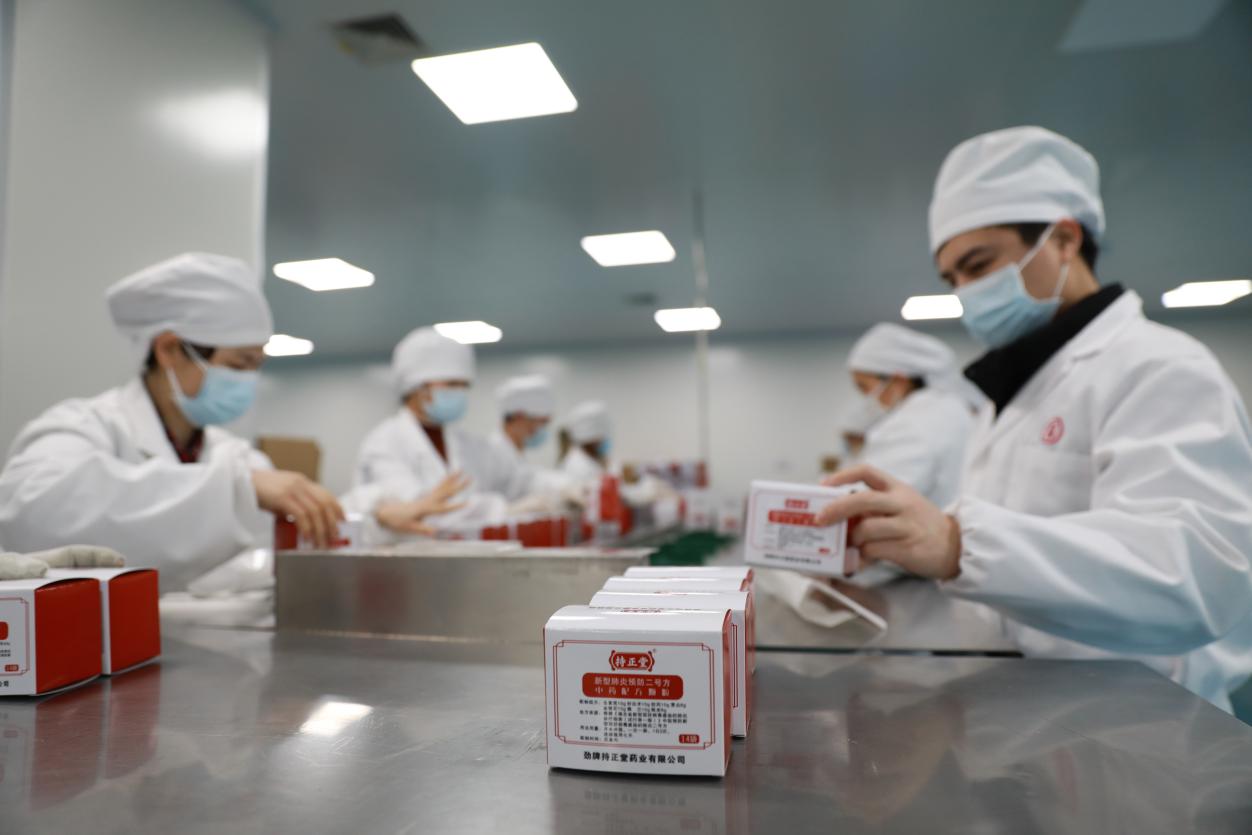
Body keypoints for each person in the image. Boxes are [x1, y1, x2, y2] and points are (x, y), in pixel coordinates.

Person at [817, 126, 1252, 711]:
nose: (966, 293)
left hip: (1146, 720)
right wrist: (907, 545)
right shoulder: (1012, 396)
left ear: (1065, 239)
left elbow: (1195, 577)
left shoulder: (1160, 367)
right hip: (1036, 708)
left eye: (978, 265)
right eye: (952, 279)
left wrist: (957, 544)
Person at [0, 253, 344, 593]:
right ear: (168, 349)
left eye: (258, 365)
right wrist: (237, 489)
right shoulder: (82, 426)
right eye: (239, 365)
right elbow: (32, 515)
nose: (249, 380)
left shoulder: (240, 457)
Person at [345, 327, 528, 537]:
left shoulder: (465, 442)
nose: (460, 392)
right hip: (401, 553)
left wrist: (551, 494)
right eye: (451, 384)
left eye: (464, 385)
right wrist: (503, 510)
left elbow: (515, 479)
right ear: (417, 387)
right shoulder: (384, 442)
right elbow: (422, 509)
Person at [843, 323, 977, 508]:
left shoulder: (911, 423)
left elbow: (872, 499)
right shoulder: (952, 408)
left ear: (898, 380)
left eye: (864, 386)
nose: (866, 397)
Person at [489, 374, 569, 496]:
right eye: (542, 422)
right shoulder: (494, 454)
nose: (543, 429)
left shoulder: (514, 451)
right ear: (519, 416)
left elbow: (532, 477)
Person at [560, 400, 612, 483]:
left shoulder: (592, 458)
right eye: (601, 437)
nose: (603, 441)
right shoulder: (577, 465)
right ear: (591, 438)